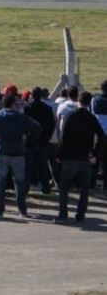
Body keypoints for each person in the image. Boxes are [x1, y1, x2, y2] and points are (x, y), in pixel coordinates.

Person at [0, 94, 41, 218]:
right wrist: (28, 140)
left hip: (1, 151)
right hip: (18, 152)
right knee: (19, 182)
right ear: (13, 104)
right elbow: (37, 128)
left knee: (0, 182)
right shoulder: (21, 118)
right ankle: (22, 209)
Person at [55, 92, 105, 224]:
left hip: (69, 157)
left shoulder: (70, 116)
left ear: (78, 101)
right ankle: (80, 214)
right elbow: (101, 136)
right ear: (89, 103)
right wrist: (95, 154)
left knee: (64, 188)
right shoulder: (91, 118)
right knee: (84, 189)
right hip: (85, 157)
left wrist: (60, 154)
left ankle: (63, 213)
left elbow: (63, 136)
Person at [23, 87, 57, 195]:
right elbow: (52, 124)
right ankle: (45, 188)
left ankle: (26, 188)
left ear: (32, 96)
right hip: (43, 141)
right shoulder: (47, 108)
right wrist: (47, 137)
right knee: (43, 166)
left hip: (30, 141)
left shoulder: (27, 108)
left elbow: (24, 124)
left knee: (28, 166)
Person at [91, 81, 107, 189]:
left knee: (96, 159)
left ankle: (93, 183)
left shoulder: (95, 100)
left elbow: (93, 115)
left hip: (99, 134)